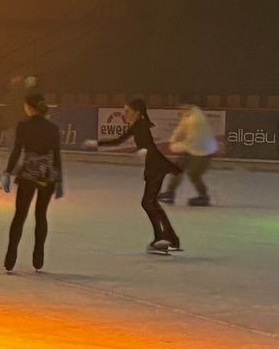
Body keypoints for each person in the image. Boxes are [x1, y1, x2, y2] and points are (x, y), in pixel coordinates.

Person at [89, 99, 182, 255]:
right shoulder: (138, 125)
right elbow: (118, 141)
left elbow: (150, 146)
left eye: (128, 111)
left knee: (148, 203)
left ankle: (164, 237)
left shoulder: (142, 126)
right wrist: (97, 143)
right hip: (154, 167)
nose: (125, 114)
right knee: (150, 203)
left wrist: (145, 150)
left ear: (137, 112)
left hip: (156, 167)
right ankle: (167, 237)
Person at [3, 91, 64, 273]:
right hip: (47, 174)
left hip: (29, 172)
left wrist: (8, 172)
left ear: (29, 107)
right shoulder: (53, 128)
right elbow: (56, 155)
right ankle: (38, 258)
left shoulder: (24, 125)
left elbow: (17, 150)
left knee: (20, 215)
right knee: (41, 215)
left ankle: (10, 258)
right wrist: (59, 180)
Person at [162, 103, 220, 206]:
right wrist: (173, 139)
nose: (179, 108)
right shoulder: (188, 114)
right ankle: (169, 193)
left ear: (188, 105)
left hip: (203, 151)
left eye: (181, 106)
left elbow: (193, 140)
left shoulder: (196, 119)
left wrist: (176, 146)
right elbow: (181, 129)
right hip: (192, 148)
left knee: (194, 174)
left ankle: (203, 197)